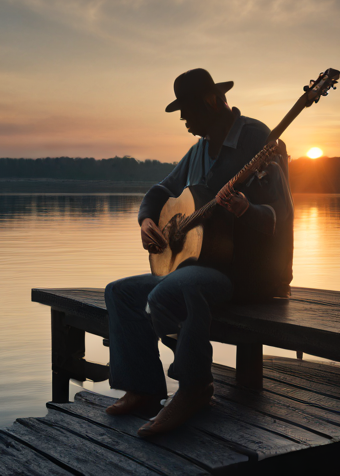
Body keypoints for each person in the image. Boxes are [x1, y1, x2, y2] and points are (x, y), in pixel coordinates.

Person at [104, 68, 294, 437]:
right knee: (120, 293)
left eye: (186, 110)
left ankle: (194, 388)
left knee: (175, 289)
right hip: (204, 266)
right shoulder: (199, 150)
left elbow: (281, 214)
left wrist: (246, 210)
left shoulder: (258, 139)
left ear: (211, 102)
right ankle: (142, 388)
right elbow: (161, 189)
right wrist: (146, 221)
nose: (183, 119)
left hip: (249, 274)